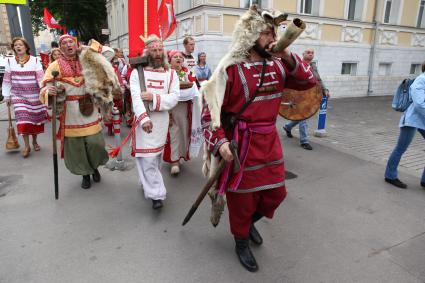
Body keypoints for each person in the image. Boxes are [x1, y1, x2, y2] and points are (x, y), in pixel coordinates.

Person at [201, 6, 316, 272]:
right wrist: (221, 143)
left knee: (276, 194)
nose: (272, 36)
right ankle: (240, 240)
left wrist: (287, 53)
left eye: (273, 31)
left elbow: (308, 82)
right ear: (250, 36)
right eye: (265, 32)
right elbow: (210, 114)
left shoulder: (279, 64)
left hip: (270, 142)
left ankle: (249, 223)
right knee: (242, 201)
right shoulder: (229, 70)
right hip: (240, 144)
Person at [40, 35, 116, 189]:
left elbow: (109, 54)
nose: (69, 45)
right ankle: (85, 174)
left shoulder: (87, 59)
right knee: (77, 148)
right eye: (65, 43)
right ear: (60, 48)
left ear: (76, 44)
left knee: (95, 143)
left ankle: (94, 167)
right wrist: (49, 90)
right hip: (70, 113)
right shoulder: (54, 66)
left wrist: (88, 49)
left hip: (89, 108)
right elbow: (44, 86)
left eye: (71, 42)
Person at [129, 35, 179, 209]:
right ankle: (156, 195)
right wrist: (143, 118)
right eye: (154, 50)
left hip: (162, 121)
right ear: (147, 52)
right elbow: (135, 97)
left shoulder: (171, 73)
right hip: (145, 122)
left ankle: (147, 182)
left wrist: (153, 98)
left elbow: (174, 98)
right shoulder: (137, 73)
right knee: (148, 158)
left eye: (160, 50)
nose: (157, 53)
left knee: (156, 157)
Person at [2, 37, 47, 158]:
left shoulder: (35, 60)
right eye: (15, 45)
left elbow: (40, 78)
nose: (18, 47)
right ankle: (27, 146)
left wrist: (43, 90)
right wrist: (6, 95)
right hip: (18, 96)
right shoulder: (10, 61)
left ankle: (35, 141)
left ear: (26, 47)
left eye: (20, 44)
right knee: (23, 122)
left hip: (34, 95)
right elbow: (6, 80)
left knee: (34, 121)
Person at [385, 62, 425, 189]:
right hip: (412, 119)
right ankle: (390, 176)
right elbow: (419, 104)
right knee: (401, 148)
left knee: (400, 148)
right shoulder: (421, 80)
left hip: (421, 119)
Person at [163, 50, 202, 175]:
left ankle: (180, 156)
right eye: (175, 57)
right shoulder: (166, 73)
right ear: (170, 59)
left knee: (184, 134)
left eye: (180, 57)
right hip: (172, 108)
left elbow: (194, 86)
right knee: (173, 133)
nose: (178, 58)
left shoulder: (187, 72)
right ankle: (174, 162)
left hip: (185, 108)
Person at [282, 47, 330, 150]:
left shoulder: (313, 66)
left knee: (303, 116)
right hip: (297, 95)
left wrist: (325, 90)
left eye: (312, 53)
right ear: (303, 54)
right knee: (303, 117)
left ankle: (288, 127)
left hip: (309, 96)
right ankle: (304, 141)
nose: (310, 54)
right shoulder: (297, 65)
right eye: (308, 52)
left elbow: (318, 79)